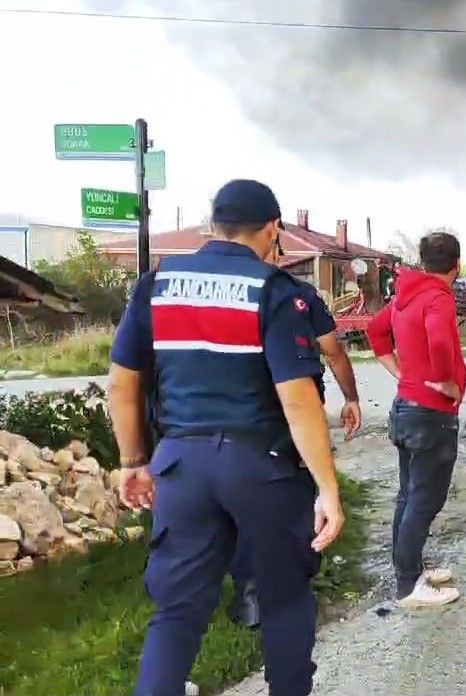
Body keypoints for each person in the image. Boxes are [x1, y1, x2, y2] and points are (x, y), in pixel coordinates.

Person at [106, 179, 345, 696]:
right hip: (261, 467)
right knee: (284, 599)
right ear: (272, 230)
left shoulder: (156, 284)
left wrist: (132, 461)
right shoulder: (275, 290)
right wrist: (328, 489)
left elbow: (123, 382)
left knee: (178, 612)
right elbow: (298, 398)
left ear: (213, 224)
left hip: (181, 468)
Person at [226, 233, 363, 629]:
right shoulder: (295, 295)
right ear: (274, 247)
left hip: (242, 418)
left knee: (244, 505)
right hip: (291, 416)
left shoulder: (225, 296)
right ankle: (289, 588)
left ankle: (250, 592)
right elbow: (333, 350)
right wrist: (351, 398)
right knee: (297, 497)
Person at [367, 231, 466, 607]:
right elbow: (440, 341)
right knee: (424, 500)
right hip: (430, 415)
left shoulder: (406, 296)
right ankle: (409, 587)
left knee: (409, 496)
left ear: (424, 262)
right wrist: (446, 383)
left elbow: (375, 330)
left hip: (406, 407)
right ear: (456, 266)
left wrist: (398, 371)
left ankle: (408, 569)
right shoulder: (437, 298)